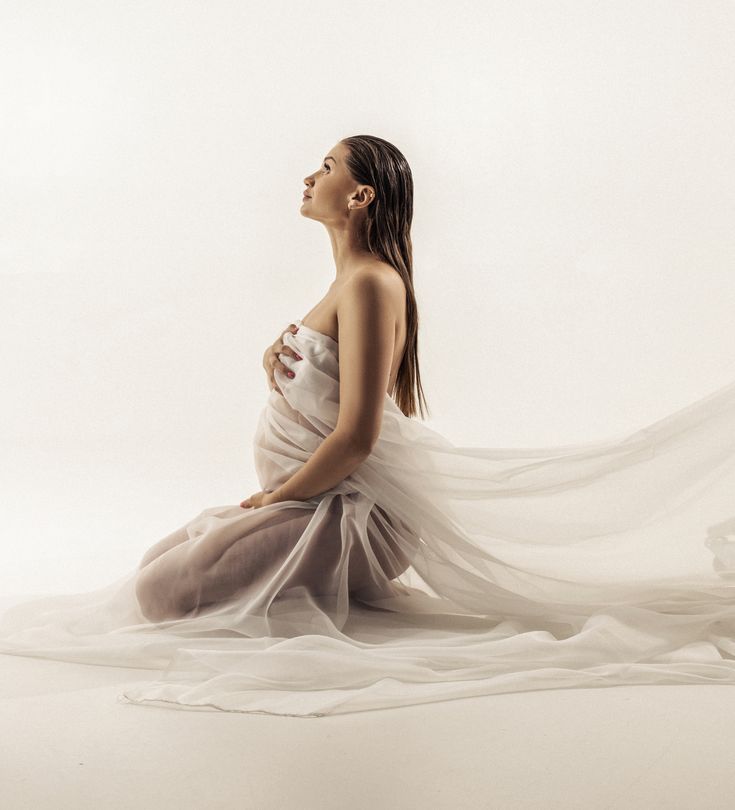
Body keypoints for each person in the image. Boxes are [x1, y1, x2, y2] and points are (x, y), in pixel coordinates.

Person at [1, 134, 735, 718]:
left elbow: (359, 435)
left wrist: (278, 493)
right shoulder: (348, 282)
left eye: (324, 166)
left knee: (164, 596)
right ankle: (291, 570)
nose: (307, 175)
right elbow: (339, 385)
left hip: (348, 511)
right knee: (160, 565)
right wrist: (281, 355)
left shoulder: (373, 282)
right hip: (314, 501)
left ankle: (314, 574)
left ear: (357, 194)